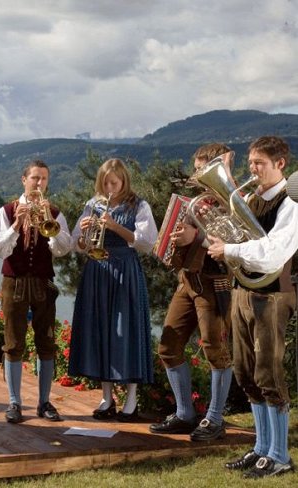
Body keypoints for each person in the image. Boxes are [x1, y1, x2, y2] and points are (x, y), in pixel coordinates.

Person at [207, 136, 298, 478]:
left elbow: (274, 252)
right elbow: (229, 239)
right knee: (245, 372)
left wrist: (230, 251)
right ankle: (261, 448)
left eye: (260, 163)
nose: (253, 169)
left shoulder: (292, 204)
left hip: (274, 293)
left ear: (281, 165)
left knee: (268, 373)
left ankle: (280, 455)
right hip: (243, 290)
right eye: (251, 162)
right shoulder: (247, 198)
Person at [149, 144, 234, 441]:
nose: (197, 176)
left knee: (217, 352)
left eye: (203, 170)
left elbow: (235, 235)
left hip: (214, 284)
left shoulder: (232, 198)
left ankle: (214, 418)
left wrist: (194, 236)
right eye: (197, 169)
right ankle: (185, 414)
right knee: (168, 347)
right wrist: (171, 241)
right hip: (187, 281)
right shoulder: (195, 201)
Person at [69, 158, 158, 421]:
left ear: (124, 181)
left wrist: (114, 226)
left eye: (115, 182)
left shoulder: (139, 205)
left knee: (125, 331)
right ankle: (106, 398)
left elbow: (146, 243)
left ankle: (131, 400)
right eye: (106, 182)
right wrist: (85, 234)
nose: (110, 187)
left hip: (124, 271)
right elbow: (78, 245)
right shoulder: (91, 204)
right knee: (101, 331)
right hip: (97, 271)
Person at [0, 160, 72, 424]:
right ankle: (14, 402)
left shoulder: (55, 213)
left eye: (44, 179)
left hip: (43, 284)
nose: (39, 183)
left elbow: (63, 248)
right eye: (34, 178)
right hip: (14, 283)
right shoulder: (6, 211)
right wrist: (15, 226)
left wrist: (48, 221)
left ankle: (44, 402)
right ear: (24, 180)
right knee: (13, 344)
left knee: (46, 342)